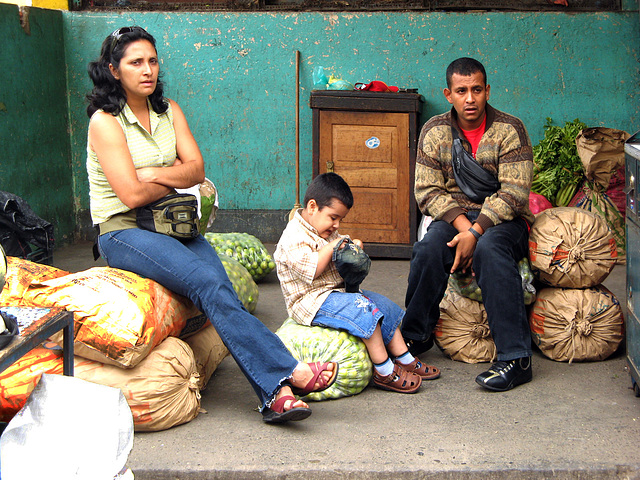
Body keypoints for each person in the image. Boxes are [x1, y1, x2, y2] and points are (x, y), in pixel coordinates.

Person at [85, 26, 339, 424]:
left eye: (152, 60)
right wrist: (175, 173)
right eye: (136, 62)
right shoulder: (105, 121)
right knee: (206, 285)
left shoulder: (167, 110)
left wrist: (155, 172)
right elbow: (131, 197)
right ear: (114, 70)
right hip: (124, 232)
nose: (147, 70)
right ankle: (289, 375)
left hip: (172, 223)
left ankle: (276, 396)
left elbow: (198, 170)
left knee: (220, 289)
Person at [401, 57, 536, 392]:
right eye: (461, 91)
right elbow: (427, 191)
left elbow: (515, 193)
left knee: (490, 250)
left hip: (504, 220)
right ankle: (414, 338)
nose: (470, 98)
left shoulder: (509, 130)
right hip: (456, 216)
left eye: (477, 89)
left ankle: (516, 357)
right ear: (449, 94)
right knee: (430, 248)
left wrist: (476, 233)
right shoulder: (434, 131)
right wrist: (463, 227)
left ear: (487, 90)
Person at [274, 173, 440, 394]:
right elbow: (311, 269)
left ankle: (405, 357)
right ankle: (384, 370)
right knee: (365, 310)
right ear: (312, 207)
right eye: (333, 217)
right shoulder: (293, 237)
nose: (336, 225)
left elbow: (341, 244)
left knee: (382, 305)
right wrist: (333, 247)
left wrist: (353, 246)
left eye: (340, 220)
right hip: (310, 302)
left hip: (336, 293)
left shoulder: (324, 229)